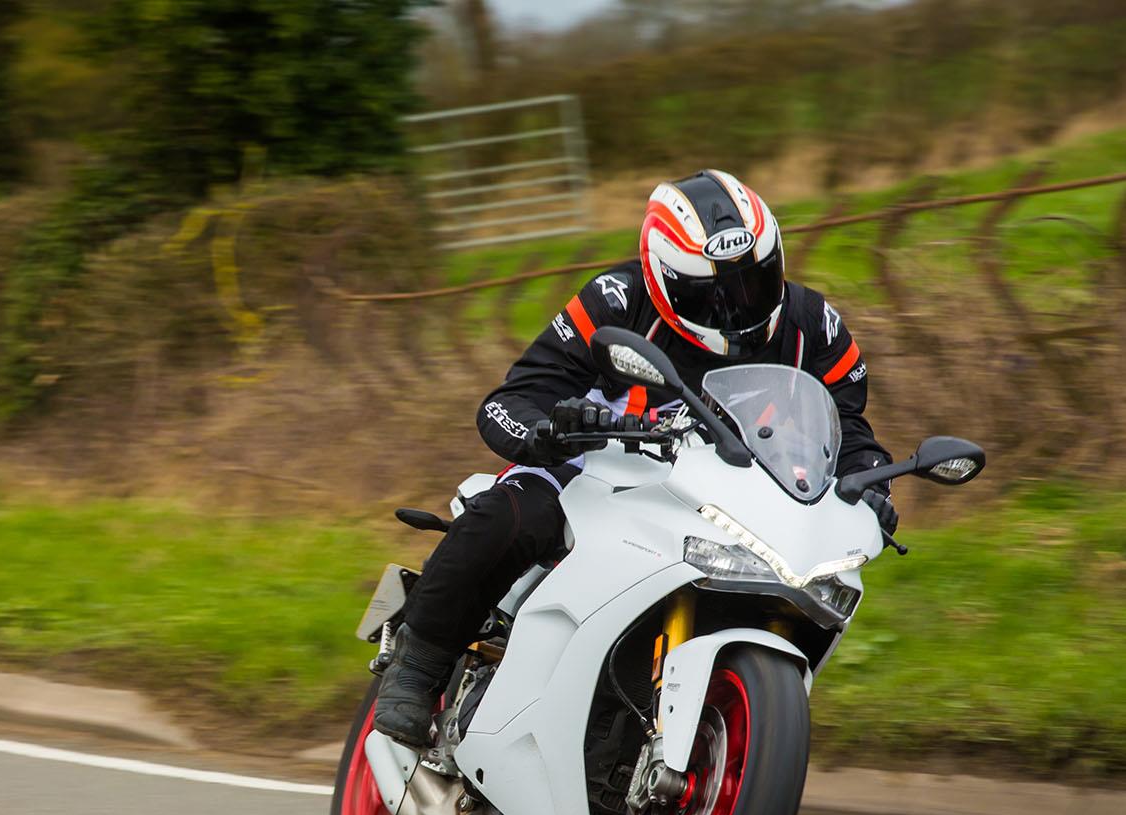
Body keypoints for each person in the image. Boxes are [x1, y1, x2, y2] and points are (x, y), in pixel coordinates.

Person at [374, 169, 897, 746]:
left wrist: (869, 482)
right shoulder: (615, 299)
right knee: (515, 514)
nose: (737, 308)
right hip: (595, 475)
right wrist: (550, 428)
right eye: (712, 295)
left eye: (754, 283)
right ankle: (417, 669)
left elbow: (847, 425)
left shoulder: (813, 326)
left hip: (726, 501)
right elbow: (511, 400)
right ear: (663, 278)